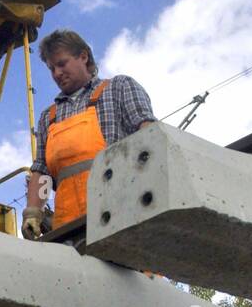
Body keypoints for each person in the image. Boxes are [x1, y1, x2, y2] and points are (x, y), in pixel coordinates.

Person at [23, 29, 156, 237]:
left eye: (61, 64)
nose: (56, 73)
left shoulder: (118, 88)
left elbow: (149, 137)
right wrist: (33, 213)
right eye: (51, 68)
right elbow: (42, 173)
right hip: (68, 231)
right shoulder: (48, 117)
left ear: (83, 56)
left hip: (121, 216)